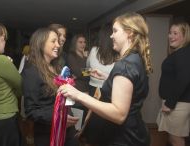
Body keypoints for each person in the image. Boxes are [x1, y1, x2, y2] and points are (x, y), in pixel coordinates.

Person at [58, 12, 152, 146]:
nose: (111, 35)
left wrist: (78, 95)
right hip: (135, 130)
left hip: (124, 137)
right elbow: (131, 86)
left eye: (115, 31)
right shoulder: (135, 59)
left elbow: (119, 115)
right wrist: (109, 77)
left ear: (129, 33)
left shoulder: (125, 65)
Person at [21, 27, 79, 146]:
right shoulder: (31, 71)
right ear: (41, 44)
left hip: (67, 130)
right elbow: (31, 111)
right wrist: (58, 117)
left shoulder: (57, 67)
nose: (58, 45)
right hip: (47, 134)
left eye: (58, 41)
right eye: (53, 41)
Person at [157, 21, 190, 146]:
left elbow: (184, 79)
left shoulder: (184, 53)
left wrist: (170, 103)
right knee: (172, 138)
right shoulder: (179, 52)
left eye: (175, 33)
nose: (171, 36)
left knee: (176, 140)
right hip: (175, 103)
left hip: (178, 104)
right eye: (170, 33)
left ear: (185, 36)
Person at [86, 24, 117, 96]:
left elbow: (87, 70)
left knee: (93, 107)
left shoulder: (93, 50)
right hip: (110, 88)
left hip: (93, 88)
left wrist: (83, 72)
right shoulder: (118, 53)